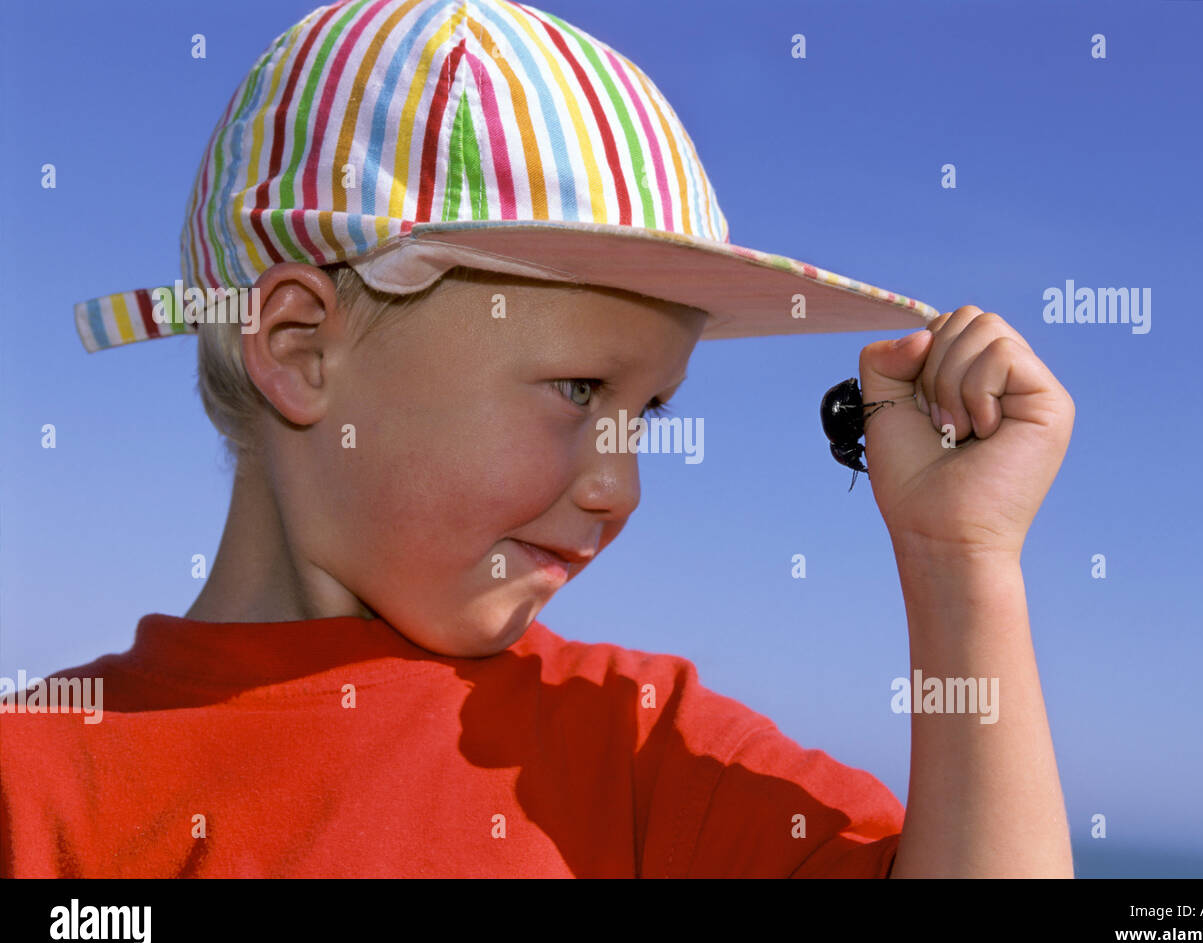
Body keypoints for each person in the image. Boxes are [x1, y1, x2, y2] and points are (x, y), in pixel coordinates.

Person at [0, 0, 1074, 877]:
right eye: (576, 387)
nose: (622, 487)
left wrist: (959, 565)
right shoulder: (37, 781)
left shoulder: (640, 746)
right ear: (299, 350)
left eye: (648, 413)